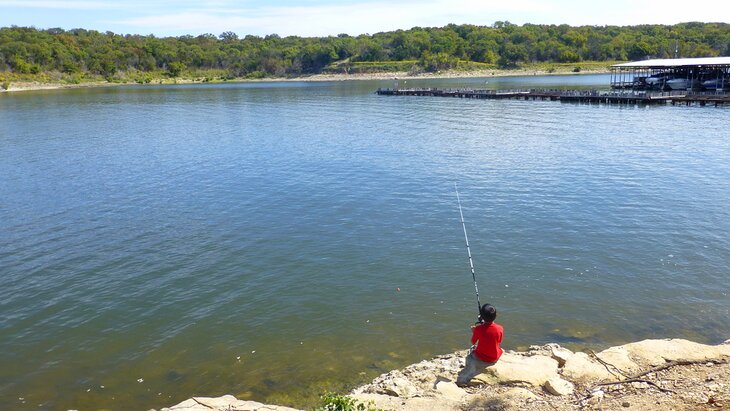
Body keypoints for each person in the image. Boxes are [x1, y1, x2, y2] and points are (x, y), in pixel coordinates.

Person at [455, 303, 503, 387]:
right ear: (496, 315)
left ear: (482, 317)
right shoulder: (500, 328)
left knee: (471, 352)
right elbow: (499, 341)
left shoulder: (478, 329)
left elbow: (473, 342)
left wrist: (474, 331)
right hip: (495, 357)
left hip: (481, 357)